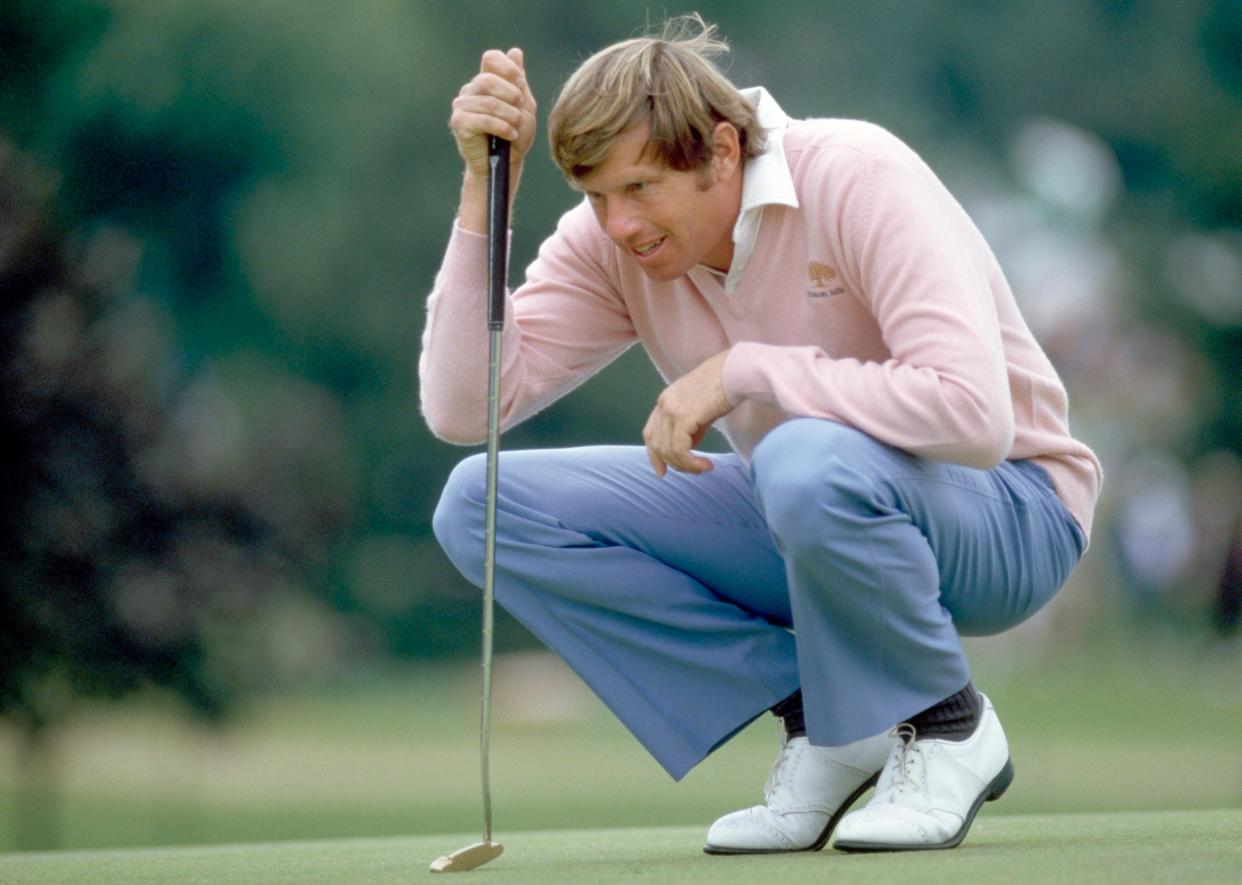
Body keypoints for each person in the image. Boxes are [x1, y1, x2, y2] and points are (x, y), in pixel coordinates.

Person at [421, 15, 1101, 855]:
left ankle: (949, 723)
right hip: (809, 506)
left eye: (640, 188)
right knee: (479, 504)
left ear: (720, 152)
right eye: (597, 196)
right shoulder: (613, 245)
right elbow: (464, 409)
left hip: (1012, 513)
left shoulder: (857, 174)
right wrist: (485, 194)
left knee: (800, 454)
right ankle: (830, 720)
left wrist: (750, 367)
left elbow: (974, 413)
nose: (620, 223)